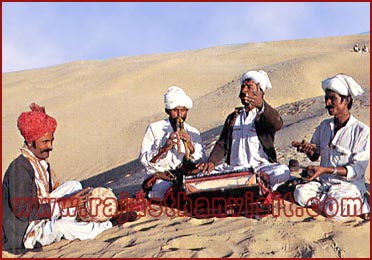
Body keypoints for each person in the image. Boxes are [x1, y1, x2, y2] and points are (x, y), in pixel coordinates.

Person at [2, 103, 128, 254]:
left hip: (40, 214)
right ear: (30, 142)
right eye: (45, 142)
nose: (50, 146)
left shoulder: (38, 162)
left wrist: (69, 202)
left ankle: (87, 213)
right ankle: (105, 225)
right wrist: (63, 204)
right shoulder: (20, 169)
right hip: (24, 232)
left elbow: (46, 196)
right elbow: (24, 212)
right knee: (63, 226)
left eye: (51, 141)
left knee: (74, 186)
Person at [196, 70, 290, 191]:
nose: (244, 90)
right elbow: (222, 143)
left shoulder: (264, 115)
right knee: (201, 175)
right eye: (243, 87)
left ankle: (256, 183)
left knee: (282, 171)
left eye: (249, 87)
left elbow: (277, 123)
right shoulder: (233, 117)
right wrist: (212, 161)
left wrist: (261, 104)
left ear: (260, 91)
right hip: (235, 169)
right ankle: (251, 184)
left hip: (259, 168)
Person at [293, 74, 370, 220]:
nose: (327, 103)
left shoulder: (362, 131)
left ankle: (362, 203)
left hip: (348, 185)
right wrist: (308, 150)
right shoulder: (324, 126)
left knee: (333, 209)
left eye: (332, 99)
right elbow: (315, 155)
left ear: (346, 101)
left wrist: (326, 170)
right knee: (300, 194)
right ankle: (332, 204)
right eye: (326, 99)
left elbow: (356, 170)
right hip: (324, 184)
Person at [139, 86, 206, 201]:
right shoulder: (154, 128)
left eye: (183, 110)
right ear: (168, 111)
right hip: (161, 177)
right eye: (175, 110)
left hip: (185, 175)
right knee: (174, 193)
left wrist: (190, 145)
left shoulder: (193, 132)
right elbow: (144, 161)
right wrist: (163, 149)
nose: (180, 115)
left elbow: (202, 160)